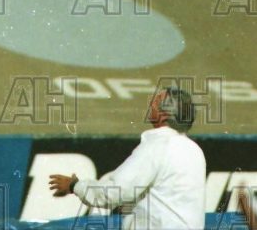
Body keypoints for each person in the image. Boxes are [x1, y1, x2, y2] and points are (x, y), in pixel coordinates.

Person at [49, 85, 205, 230]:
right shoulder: (195, 151)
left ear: (164, 115)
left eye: (156, 101)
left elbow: (116, 191)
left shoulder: (157, 147)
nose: (150, 103)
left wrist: (75, 186)